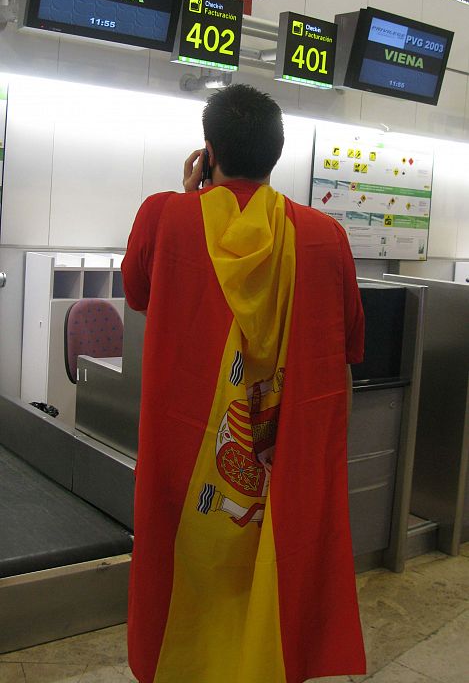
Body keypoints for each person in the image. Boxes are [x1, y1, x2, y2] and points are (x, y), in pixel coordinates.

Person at [122, 84, 366, 683]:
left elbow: (137, 293)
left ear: (208, 152)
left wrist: (189, 200)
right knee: (274, 562)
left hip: (191, 453)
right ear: (277, 155)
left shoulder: (165, 214)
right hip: (283, 455)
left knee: (187, 563)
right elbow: (353, 342)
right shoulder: (323, 235)